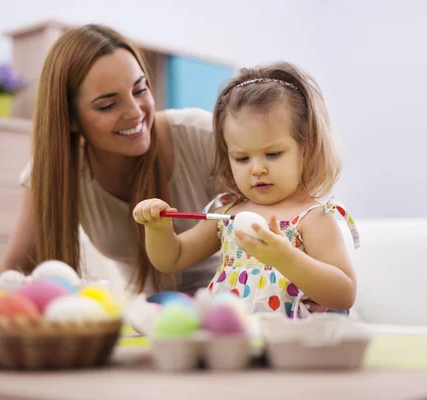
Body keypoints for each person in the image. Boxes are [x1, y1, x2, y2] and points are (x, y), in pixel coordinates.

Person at [1, 24, 220, 295]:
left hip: (236, 307)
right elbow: (17, 273)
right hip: (150, 318)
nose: (135, 112)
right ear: (69, 118)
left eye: (140, 90)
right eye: (108, 105)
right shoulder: (53, 171)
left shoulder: (204, 136)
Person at [133, 62, 360, 318]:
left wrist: (285, 257)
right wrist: (157, 229)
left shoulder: (313, 217)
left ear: (305, 149)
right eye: (242, 158)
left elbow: (344, 294)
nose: (257, 169)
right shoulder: (230, 213)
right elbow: (173, 258)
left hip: (290, 341)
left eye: (272, 154)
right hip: (232, 338)